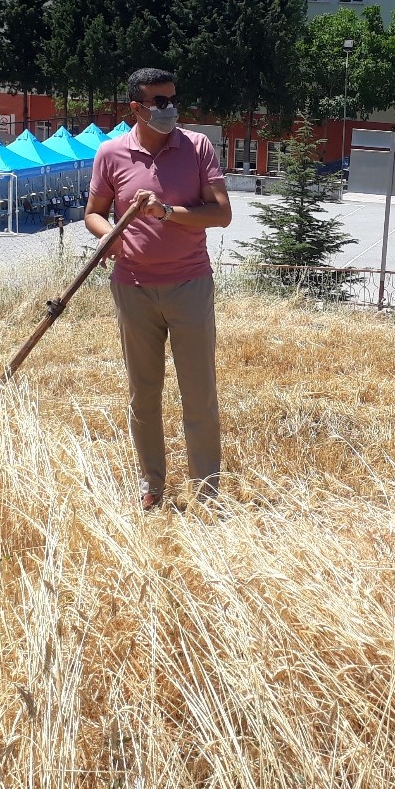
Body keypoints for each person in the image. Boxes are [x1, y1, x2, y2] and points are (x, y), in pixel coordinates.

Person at [86, 68, 232, 509]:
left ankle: (206, 492)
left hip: (189, 284)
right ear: (137, 107)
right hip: (132, 287)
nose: (170, 108)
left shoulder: (197, 147)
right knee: (143, 392)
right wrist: (106, 235)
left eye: (172, 99)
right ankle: (152, 485)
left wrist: (166, 212)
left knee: (199, 393)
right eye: (160, 101)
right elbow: (93, 212)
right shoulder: (111, 153)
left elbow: (220, 214)